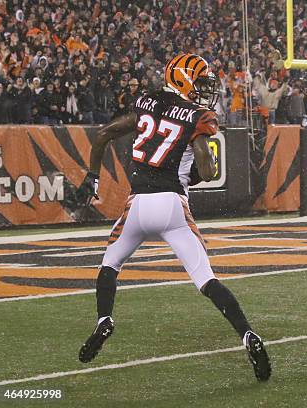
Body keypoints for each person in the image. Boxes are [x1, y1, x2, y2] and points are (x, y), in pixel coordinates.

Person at [76, 53, 271, 382]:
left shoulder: (145, 102)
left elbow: (104, 135)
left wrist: (92, 177)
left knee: (109, 266)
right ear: (184, 79)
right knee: (206, 280)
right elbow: (208, 171)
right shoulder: (197, 116)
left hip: (137, 205)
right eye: (201, 82)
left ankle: (104, 319)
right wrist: (200, 165)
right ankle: (248, 335)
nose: (206, 89)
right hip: (171, 206)